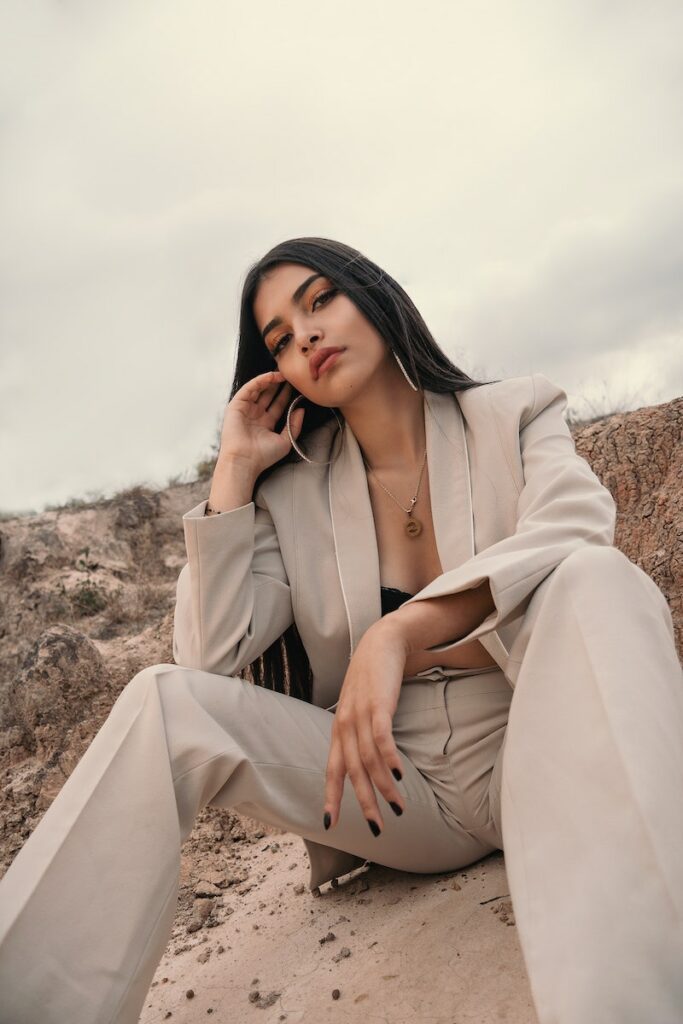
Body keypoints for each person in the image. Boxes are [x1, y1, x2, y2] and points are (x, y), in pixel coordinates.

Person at [0, 236, 681, 1024]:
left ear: (375, 296)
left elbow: (573, 529)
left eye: (320, 300)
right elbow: (209, 653)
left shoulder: (514, 411)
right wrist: (234, 472)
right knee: (162, 700)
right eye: (281, 338)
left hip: (541, 751)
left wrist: (398, 634)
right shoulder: (291, 495)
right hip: (390, 792)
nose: (306, 336)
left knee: (595, 578)